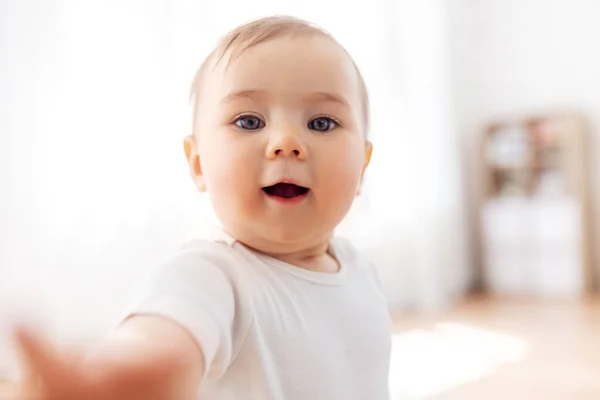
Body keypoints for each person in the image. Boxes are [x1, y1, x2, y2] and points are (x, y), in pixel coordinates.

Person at [12, 15, 392, 400]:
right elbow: (164, 339)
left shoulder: (362, 271)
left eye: (322, 123)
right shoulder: (211, 274)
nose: (286, 142)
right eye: (249, 121)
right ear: (198, 164)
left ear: (363, 165)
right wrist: (119, 377)